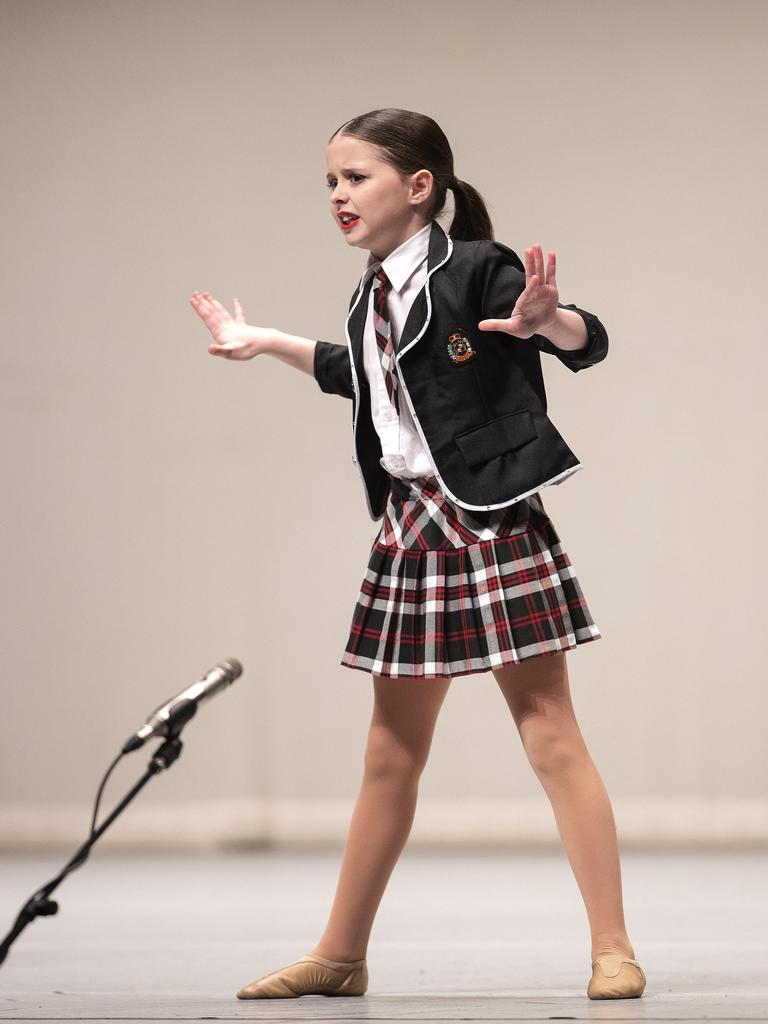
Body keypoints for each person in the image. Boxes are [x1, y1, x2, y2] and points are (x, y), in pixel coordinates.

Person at [190, 108, 646, 1003]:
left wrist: (552, 324)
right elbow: (359, 374)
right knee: (390, 754)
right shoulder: (369, 292)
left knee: (551, 734)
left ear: (420, 186)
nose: (337, 196)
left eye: (355, 178)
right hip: (409, 528)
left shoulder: (479, 267)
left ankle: (613, 948)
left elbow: (586, 339)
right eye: (330, 181)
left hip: (487, 520)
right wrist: (268, 343)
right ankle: (341, 954)